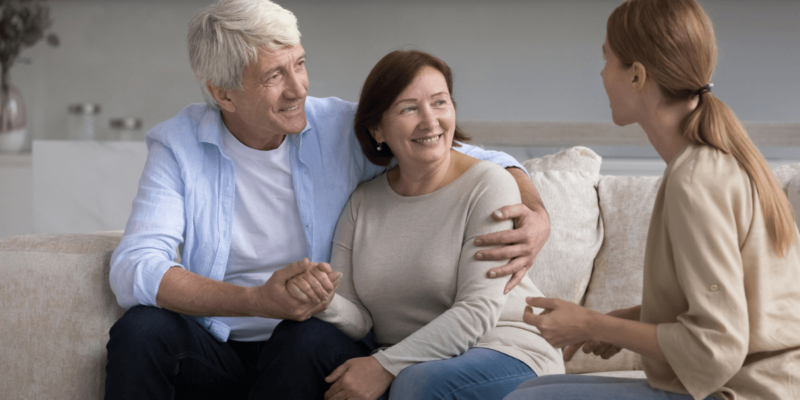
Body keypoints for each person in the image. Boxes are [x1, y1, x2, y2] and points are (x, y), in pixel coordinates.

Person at [104, 0, 553, 398]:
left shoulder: (336, 126)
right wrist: (257, 301)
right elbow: (136, 267)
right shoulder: (178, 145)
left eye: (299, 64)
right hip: (221, 341)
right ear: (223, 94)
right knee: (142, 330)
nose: (298, 88)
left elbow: (452, 151)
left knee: (303, 338)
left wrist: (533, 207)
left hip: (313, 342)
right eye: (274, 76)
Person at [505, 0, 800, 399]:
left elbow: (716, 348)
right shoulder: (712, 162)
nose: (602, 74)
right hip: (766, 382)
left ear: (637, 76)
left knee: (527, 398)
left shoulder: (696, 181)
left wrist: (593, 325)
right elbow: (736, 306)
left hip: (747, 391)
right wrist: (624, 321)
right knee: (534, 387)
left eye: (607, 59)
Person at [279, 50, 564, 400]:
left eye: (440, 102)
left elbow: (477, 314)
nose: (430, 121)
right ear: (377, 129)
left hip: (505, 349)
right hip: (413, 363)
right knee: (299, 337)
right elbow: (360, 320)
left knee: (417, 385)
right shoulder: (362, 203)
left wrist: (384, 366)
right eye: (409, 108)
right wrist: (323, 301)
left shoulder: (489, 185)